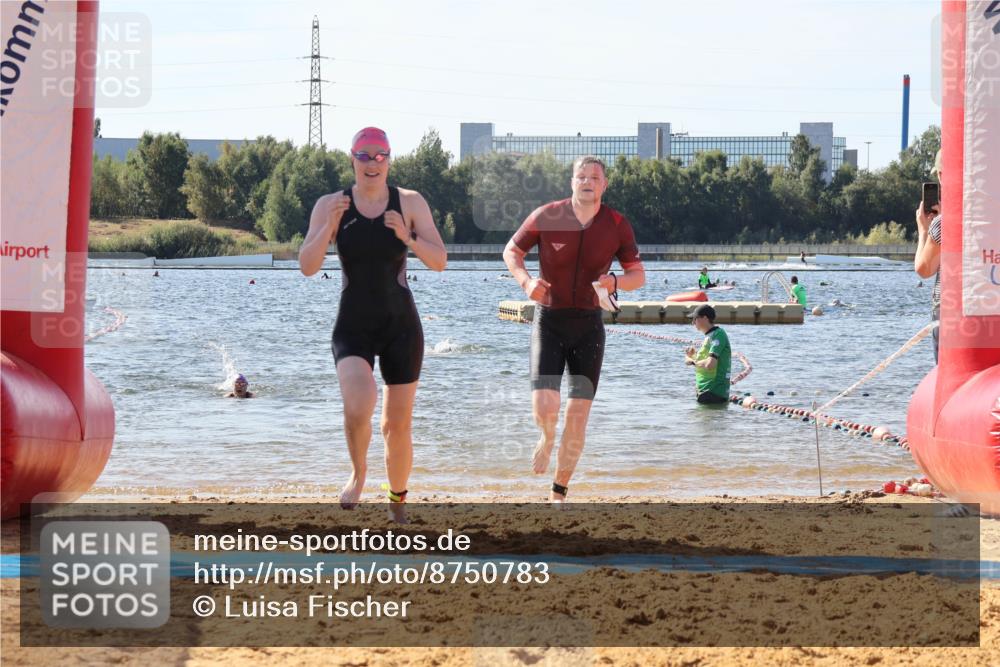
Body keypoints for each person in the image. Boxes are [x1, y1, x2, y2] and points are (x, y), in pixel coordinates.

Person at [298, 127, 447, 510]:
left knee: (396, 427)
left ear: (389, 160)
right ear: (352, 159)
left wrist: (409, 238)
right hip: (353, 326)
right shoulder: (331, 204)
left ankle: (397, 500)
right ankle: (359, 472)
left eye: (380, 155)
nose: (372, 163)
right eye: (364, 155)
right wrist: (326, 229)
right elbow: (307, 267)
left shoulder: (410, 203)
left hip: (401, 328)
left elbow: (440, 261)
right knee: (358, 404)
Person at [502, 155, 645, 502]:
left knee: (578, 414)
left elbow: (637, 276)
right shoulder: (548, 215)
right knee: (545, 406)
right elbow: (511, 251)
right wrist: (525, 282)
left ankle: (559, 492)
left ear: (604, 184)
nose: (587, 181)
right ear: (572, 182)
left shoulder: (616, 224)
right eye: (581, 176)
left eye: (594, 177)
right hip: (549, 321)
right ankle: (547, 438)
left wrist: (614, 281)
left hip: (588, 327)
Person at [914, 149, 943, 362]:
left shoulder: (943, 223)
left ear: (942, 174)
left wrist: (924, 230)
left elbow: (924, 269)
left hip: (949, 311)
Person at [684, 305, 731, 405]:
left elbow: (710, 364)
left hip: (713, 392)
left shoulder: (718, 334)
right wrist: (692, 355)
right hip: (704, 392)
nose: (693, 322)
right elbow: (703, 361)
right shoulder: (708, 337)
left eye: (695, 319)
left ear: (705, 318)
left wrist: (693, 362)